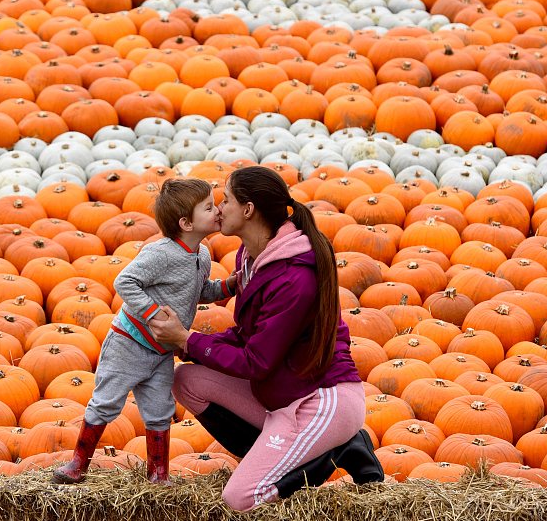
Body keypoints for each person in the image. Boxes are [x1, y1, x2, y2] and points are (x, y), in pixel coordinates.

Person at [147, 165, 383, 511]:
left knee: (240, 498)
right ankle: (273, 455)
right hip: (281, 393)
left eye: (226, 200)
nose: (219, 208)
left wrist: (188, 339)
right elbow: (248, 337)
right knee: (187, 380)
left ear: (248, 210)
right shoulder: (251, 257)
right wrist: (188, 346)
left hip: (318, 400)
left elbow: (256, 361)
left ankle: (337, 451)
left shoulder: (293, 278)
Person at [54, 178, 235, 485]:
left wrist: (227, 287)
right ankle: (78, 463)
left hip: (161, 349)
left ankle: (158, 475)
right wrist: (152, 314)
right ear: (186, 223)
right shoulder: (160, 253)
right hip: (129, 343)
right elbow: (124, 282)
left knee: (160, 409)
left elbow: (197, 291)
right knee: (106, 402)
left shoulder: (202, 255)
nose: (218, 210)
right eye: (209, 207)